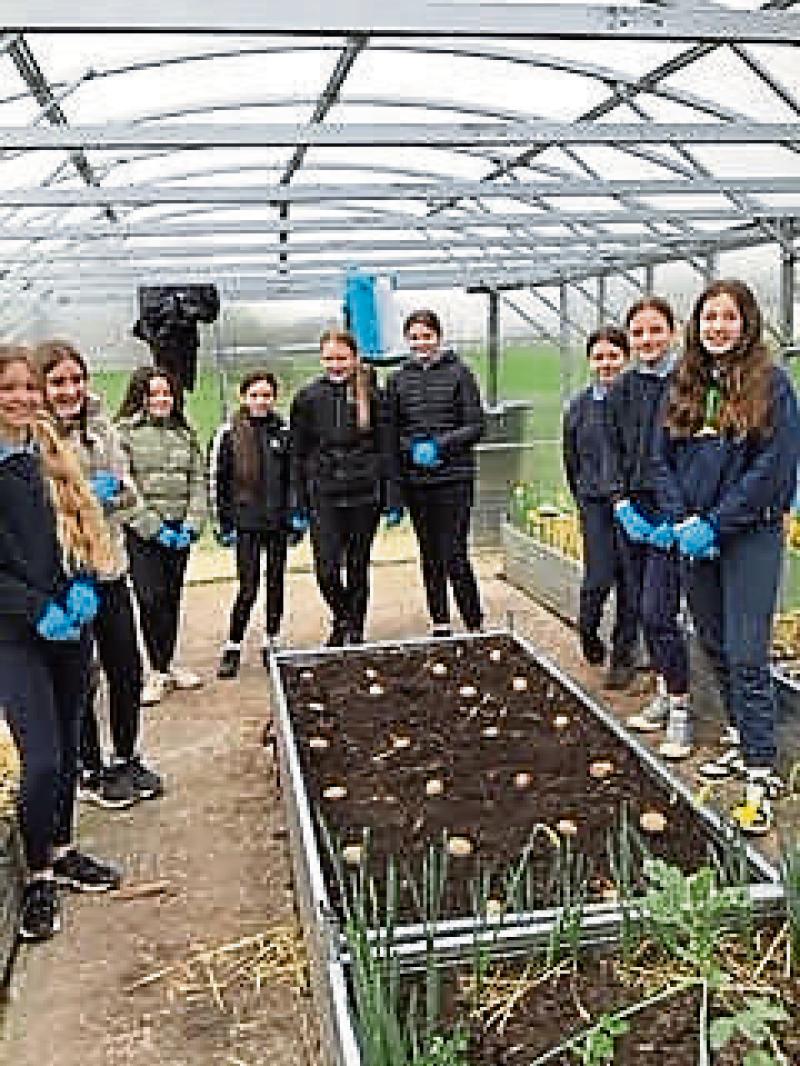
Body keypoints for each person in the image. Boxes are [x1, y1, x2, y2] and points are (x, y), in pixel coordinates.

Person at [653, 279, 800, 833]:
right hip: (696, 535)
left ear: (747, 323)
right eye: (709, 317)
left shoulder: (772, 386)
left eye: (729, 317)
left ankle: (761, 770)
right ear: (697, 325)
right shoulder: (683, 384)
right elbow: (659, 461)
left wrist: (716, 522)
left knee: (745, 651)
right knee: (712, 642)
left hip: (749, 536)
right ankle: (742, 738)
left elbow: (773, 471)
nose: (718, 326)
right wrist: (684, 520)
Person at [0, 345, 122, 941]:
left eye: (28, 388)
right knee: (42, 761)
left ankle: (64, 849)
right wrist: (33, 606)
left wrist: (81, 584)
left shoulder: (49, 453)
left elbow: (75, 526)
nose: (22, 398)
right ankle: (38, 875)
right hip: (15, 635)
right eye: (8, 389)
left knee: (72, 746)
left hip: (68, 628)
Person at [33, 341, 163, 809]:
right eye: (58, 382)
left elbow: (128, 489)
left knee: (126, 667)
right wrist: (86, 494)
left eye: (76, 379)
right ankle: (90, 769)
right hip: (66, 576)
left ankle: (126, 756)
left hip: (109, 567)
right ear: (42, 388)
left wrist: (114, 492)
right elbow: (40, 511)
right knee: (81, 675)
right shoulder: (33, 440)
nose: (70, 390)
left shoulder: (102, 428)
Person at [606, 296, 693, 761]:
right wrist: (621, 504)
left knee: (660, 611)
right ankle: (666, 688)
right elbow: (609, 449)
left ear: (674, 332)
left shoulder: (687, 384)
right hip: (634, 513)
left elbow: (692, 455)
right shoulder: (622, 388)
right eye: (638, 333)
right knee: (643, 607)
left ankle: (681, 706)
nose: (647, 340)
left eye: (655, 330)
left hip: (673, 511)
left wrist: (675, 518)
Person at [289, 329, 400, 646]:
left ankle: (354, 631)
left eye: (341, 358)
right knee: (326, 569)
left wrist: (393, 496)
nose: (335, 365)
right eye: (329, 358)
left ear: (354, 358)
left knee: (357, 565)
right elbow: (298, 452)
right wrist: (297, 501)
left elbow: (388, 448)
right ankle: (343, 615)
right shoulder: (308, 398)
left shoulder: (374, 397)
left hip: (364, 494)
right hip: (324, 494)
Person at [386, 309, 484, 636]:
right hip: (418, 481)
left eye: (426, 336)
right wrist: (410, 449)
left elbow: (475, 425)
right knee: (429, 553)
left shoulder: (460, 374)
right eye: (414, 337)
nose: (421, 343)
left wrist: (440, 446)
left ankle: (473, 620)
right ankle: (440, 621)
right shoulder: (398, 380)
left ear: (438, 337)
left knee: (454, 551)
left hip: (454, 478)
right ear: (407, 340)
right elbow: (391, 430)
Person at [116, 367, 207, 705]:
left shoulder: (185, 433)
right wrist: (154, 529)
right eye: (153, 394)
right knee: (150, 599)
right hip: (144, 535)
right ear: (139, 396)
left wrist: (191, 525)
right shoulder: (123, 434)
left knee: (171, 600)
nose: (161, 400)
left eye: (166, 393)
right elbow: (124, 489)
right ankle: (154, 671)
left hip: (179, 531)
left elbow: (198, 481)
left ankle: (166, 665)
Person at [210, 371, 291, 677]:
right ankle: (233, 645)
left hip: (278, 522)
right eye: (254, 395)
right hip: (246, 524)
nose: (261, 401)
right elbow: (216, 480)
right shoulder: (229, 434)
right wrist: (223, 524)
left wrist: (295, 515)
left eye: (266, 395)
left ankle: (272, 640)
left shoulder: (283, 431)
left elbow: (292, 477)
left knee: (276, 583)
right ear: (243, 397)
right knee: (248, 587)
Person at [563, 326, 635, 669]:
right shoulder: (579, 407)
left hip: (634, 503)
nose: (606, 364)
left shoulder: (637, 401)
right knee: (598, 575)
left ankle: (623, 655)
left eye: (613, 356)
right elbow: (570, 457)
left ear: (626, 358)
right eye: (599, 357)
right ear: (590, 361)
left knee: (631, 581)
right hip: (595, 502)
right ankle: (588, 630)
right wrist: (582, 497)